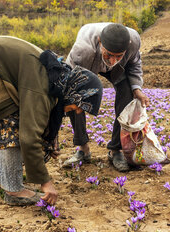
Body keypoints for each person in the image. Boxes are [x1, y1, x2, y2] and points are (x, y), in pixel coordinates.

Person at [0, 36, 103, 206]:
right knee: (9, 122)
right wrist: (45, 182)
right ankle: (13, 189)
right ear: (75, 92)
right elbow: (29, 136)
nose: (78, 111)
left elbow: (45, 118)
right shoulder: (42, 87)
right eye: (79, 106)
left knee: (12, 119)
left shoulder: (57, 78)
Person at [62, 23, 150, 171]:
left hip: (118, 72)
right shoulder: (83, 50)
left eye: (118, 56)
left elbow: (134, 64)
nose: (113, 60)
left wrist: (137, 89)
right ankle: (83, 149)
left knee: (127, 94)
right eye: (109, 54)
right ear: (100, 42)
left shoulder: (133, 41)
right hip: (89, 63)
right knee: (73, 97)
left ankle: (115, 150)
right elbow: (69, 77)